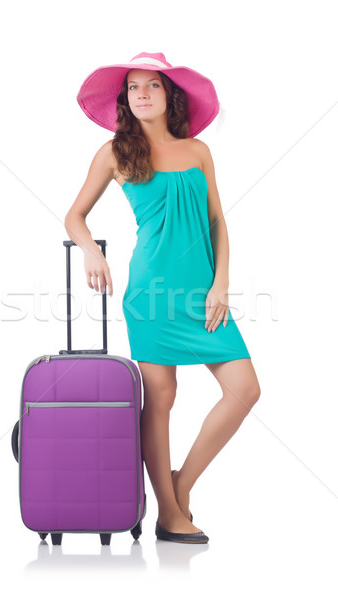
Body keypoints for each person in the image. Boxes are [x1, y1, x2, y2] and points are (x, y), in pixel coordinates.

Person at [65, 52, 261, 544]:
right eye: (134, 88)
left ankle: (178, 487)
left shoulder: (198, 151)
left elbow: (217, 222)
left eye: (152, 85)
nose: (143, 94)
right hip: (150, 292)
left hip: (203, 292)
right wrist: (90, 251)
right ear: (125, 99)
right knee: (161, 399)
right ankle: (170, 517)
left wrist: (222, 283)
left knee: (244, 389)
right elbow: (74, 216)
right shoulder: (113, 153)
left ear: (169, 95)